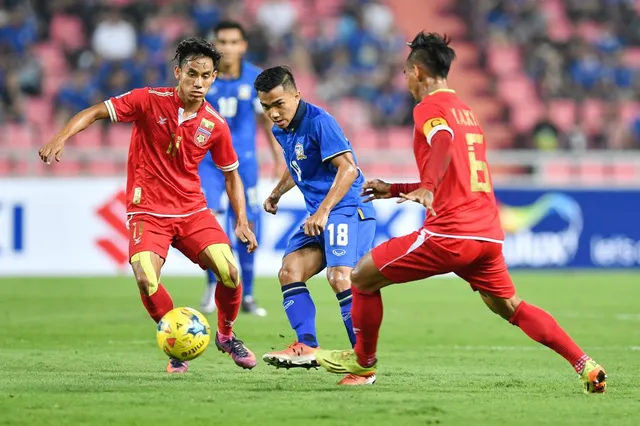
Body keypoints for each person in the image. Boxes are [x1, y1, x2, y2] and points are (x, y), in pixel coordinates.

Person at [314, 32, 607, 392]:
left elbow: (442, 142)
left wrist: (428, 188)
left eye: (405, 73)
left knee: (361, 277)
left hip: (450, 234)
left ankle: (363, 362)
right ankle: (584, 364)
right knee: (509, 306)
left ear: (418, 72)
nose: (404, 80)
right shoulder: (466, 112)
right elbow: (459, 173)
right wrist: (397, 189)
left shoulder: (428, 108)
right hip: (486, 234)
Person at [38, 37, 259, 374]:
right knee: (145, 278)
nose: (199, 82)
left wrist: (241, 220)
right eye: (192, 74)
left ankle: (227, 336)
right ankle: (176, 347)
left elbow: (231, 176)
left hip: (192, 210)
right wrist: (62, 136)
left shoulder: (215, 125)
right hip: (148, 212)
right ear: (178, 73)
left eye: (207, 76)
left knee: (230, 271)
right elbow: (96, 111)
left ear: (214, 78)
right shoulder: (147, 100)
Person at [254, 66, 376, 371]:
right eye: (266, 107)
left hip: (347, 210)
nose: (273, 113)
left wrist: (323, 210)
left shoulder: (321, 122)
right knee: (289, 271)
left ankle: (364, 363)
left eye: (279, 104)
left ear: (296, 95)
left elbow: (349, 170)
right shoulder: (281, 130)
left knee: (339, 278)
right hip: (319, 216)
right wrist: (277, 193)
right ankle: (307, 345)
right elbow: (298, 165)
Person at [199, 21, 284, 317]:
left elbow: (267, 121)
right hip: (208, 162)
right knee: (207, 222)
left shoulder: (255, 79)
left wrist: (278, 157)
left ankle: (246, 294)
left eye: (234, 42)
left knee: (246, 223)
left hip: (243, 163)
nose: (227, 47)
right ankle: (213, 286)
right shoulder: (202, 78)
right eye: (222, 41)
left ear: (243, 46)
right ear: (214, 44)